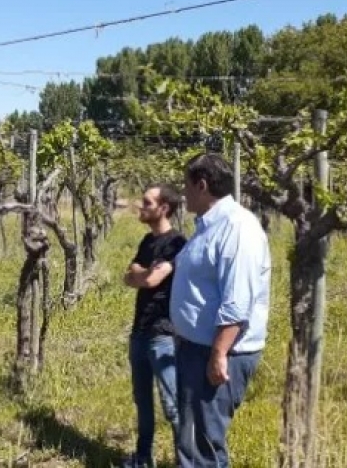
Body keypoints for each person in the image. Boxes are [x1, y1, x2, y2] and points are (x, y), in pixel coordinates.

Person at [169, 152, 271, 467]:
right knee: (194, 438)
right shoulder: (209, 226)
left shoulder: (238, 228)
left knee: (203, 446)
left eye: (186, 186)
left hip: (218, 352)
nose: (183, 193)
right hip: (197, 348)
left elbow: (237, 301)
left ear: (202, 185)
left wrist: (218, 353)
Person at [122, 183, 187, 468]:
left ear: (163, 208)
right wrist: (145, 273)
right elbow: (129, 275)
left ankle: (185, 460)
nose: (141, 206)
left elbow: (149, 280)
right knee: (142, 401)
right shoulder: (147, 243)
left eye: (147, 202)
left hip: (163, 333)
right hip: (139, 331)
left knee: (173, 405)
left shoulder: (177, 244)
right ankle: (143, 457)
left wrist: (144, 274)